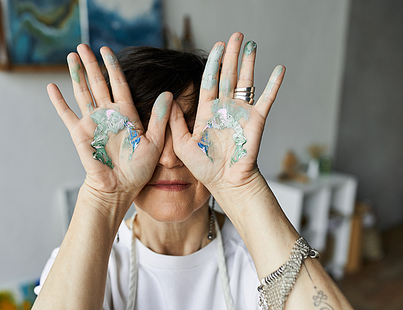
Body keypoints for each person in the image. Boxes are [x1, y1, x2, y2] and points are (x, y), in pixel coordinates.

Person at [32, 33, 353, 310]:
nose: (170, 158)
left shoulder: (259, 256)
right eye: (146, 133)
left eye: (189, 131)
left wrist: (243, 188)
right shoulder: (87, 261)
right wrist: (103, 197)